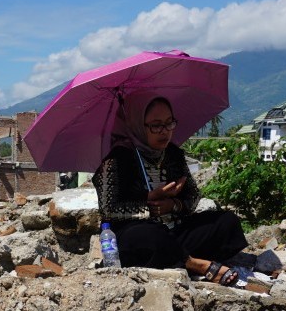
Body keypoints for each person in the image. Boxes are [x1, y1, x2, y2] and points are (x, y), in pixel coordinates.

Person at [92, 92, 248, 285]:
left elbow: (193, 196)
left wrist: (174, 205)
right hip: (138, 234)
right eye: (156, 125)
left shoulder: (173, 154)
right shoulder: (116, 160)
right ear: (137, 125)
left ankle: (175, 261)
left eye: (169, 123)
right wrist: (149, 201)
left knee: (226, 222)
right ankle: (195, 264)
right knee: (149, 237)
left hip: (175, 231)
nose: (165, 131)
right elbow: (108, 209)